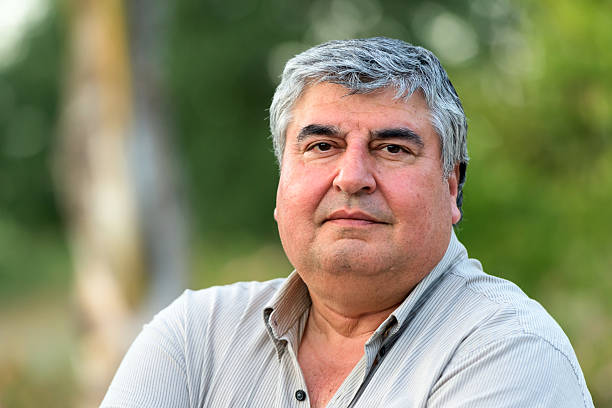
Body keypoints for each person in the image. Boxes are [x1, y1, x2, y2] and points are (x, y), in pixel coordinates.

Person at [101, 37, 593, 407]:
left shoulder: (510, 351)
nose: (352, 177)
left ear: (451, 186)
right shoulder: (196, 336)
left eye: (392, 149)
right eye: (322, 146)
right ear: (281, 182)